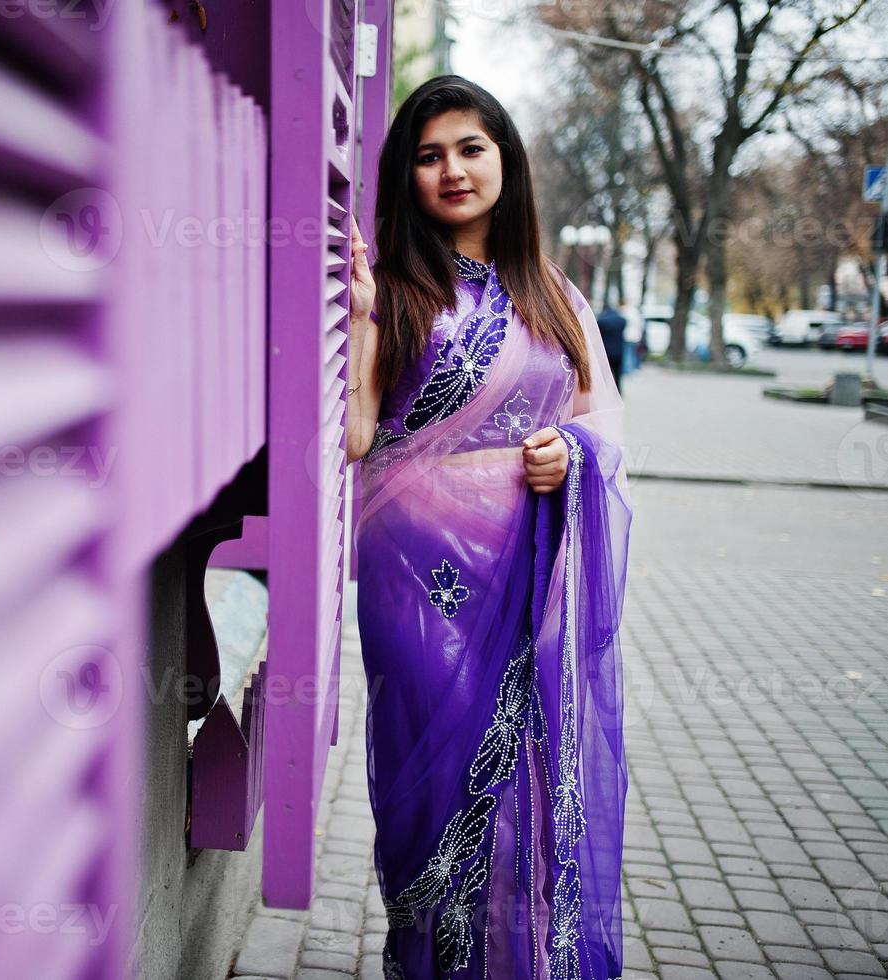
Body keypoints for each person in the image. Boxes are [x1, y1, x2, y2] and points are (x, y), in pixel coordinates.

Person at [343, 75, 633, 979]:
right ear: (404, 177)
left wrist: (568, 455)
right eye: (428, 156)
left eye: (471, 147)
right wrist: (354, 320)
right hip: (415, 583)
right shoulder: (392, 289)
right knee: (434, 788)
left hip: (528, 574)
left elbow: (603, 428)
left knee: (528, 785)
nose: (452, 169)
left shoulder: (551, 296)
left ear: (505, 160)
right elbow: (354, 439)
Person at [596, 303, 627, 394]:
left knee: (604, 375)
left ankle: (603, 392)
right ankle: (618, 391)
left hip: (606, 352)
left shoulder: (602, 321)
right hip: (618, 352)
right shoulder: (622, 321)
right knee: (618, 374)